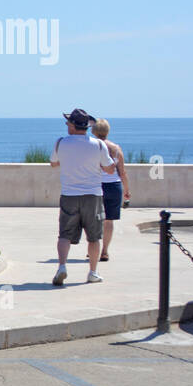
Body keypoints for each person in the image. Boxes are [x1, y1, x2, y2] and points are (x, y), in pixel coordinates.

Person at [50, 109, 116, 285]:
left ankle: (62, 267)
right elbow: (110, 168)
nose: (66, 125)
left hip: (69, 194)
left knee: (64, 234)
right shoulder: (99, 145)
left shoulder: (60, 143)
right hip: (93, 195)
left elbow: (53, 163)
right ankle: (93, 272)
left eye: (68, 123)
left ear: (72, 125)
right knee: (94, 237)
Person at [91, 119, 130, 262]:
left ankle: (92, 249)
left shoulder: (92, 146)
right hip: (114, 186)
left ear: (94, 131)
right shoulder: (116, 148)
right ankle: (105, 251)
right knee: (109, 221)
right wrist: (126, 190)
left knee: (94, 220)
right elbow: (122, 172)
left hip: (96, 186)